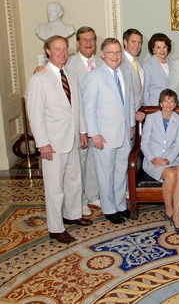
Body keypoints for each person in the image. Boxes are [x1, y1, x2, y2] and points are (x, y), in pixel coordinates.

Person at [27, 35, 91, 243]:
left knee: (74, 180)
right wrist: (42, 143)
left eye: (64, 49)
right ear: (48, 51)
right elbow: (35, 114)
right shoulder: (39, 78)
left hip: (72, 139)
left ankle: (72, 214)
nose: (62, 53)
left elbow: (78, 107)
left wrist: (82, 131)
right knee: (54, 188)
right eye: (57, 49)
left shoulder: (70, 75)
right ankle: (55, 227)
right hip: (52, 144)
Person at [82, 38, 135, 225]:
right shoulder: (94, 76)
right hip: (103, 136)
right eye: (111, 52)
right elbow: (88, 109)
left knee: (121, 172)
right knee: (105, 174)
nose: (115, 56)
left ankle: (120, 205)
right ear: (102, 54)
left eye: (118, 52)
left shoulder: (126, 73)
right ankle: (109, 209)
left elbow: (128, 102)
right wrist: (93, 134)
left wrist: (131, 126)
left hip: (123, 133)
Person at [66, 27, 103, 216]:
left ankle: (93, 195)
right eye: (84, 39)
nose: (88, 43)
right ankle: (80, 201)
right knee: (79, 164)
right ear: (78, 43)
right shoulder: (69, 64)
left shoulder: (100, 61)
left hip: (98, 123)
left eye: (91, 39)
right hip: (79, 123)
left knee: (93, 162)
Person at [141, 89, 179, 233]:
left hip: (171, 158)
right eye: (166, 100)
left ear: (175, 104)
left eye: (172, 101)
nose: (168, 104)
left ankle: (177, 215)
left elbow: (178, 144)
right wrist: (154, 159)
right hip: (152, 159)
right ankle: (169, 211)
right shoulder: (151, 118)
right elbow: (144, 144)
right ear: (160, 103)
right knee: (171, 175)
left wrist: (167, 160)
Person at [120, 28, 145, 122]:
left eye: (139, 42)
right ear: (125, 42)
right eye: (133, 42)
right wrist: (132, 114)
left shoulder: (138, 60)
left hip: (139, 113)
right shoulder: (119, 61)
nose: (137, 46)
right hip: (126, 117)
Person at [143, 34, 174, 106]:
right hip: (155, 107)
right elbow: (145, 91)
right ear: (153, 49)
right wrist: (150, 108)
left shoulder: (174, 63)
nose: (162, 50)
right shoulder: (147, 66)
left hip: (172, 107)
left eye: (164, 47)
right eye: (158, 47)